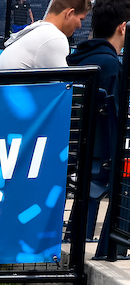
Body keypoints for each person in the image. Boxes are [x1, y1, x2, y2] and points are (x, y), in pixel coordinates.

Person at [68, 0, 130, 257]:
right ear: (123, 28)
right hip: (101, 158)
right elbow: (116, 122)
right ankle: (112, 249)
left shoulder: (78, 59)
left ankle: (79, 234)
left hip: (77, 152)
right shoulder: (111, 67)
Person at [0, 0, 90, 68]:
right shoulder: (54, 37)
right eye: (81, 19)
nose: (80, 26)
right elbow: (63, 88)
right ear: (69, 13)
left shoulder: (36, 30)